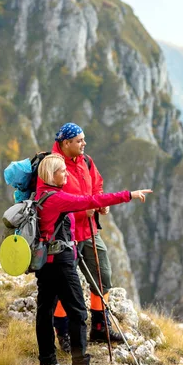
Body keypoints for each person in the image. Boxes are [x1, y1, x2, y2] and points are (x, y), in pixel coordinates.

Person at [35, 153, 152, 365]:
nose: (66, 174)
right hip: (61, 262)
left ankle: (47, 362)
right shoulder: (58, 199)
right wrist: (129, 195)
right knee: (78, 311)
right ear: (52, 174)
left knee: (44, 310)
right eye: (62, 171)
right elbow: (92, 201)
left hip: (45, 263)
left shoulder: (41, 195)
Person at [51, 123, 127, 350]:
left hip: (90, 231)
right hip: (65, 235)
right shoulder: (53, 165)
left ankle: (99, 327)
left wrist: (101, 202)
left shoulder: (86, 161)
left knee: (102, 275)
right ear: (66, 143)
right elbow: (52, 200)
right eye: (79, 140)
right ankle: (63, 333)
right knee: (64, 285)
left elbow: (97, 185)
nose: (84, 144)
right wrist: (85, 210)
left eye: (84, 139)